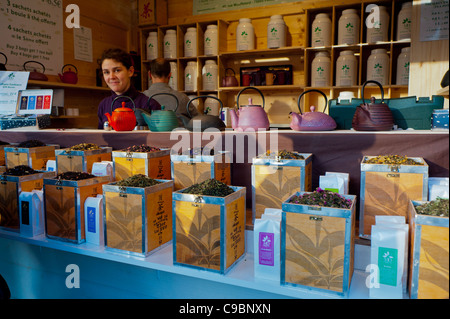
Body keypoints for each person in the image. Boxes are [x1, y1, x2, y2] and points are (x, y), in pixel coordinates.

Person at [97, 48, 160, 129]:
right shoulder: (103, 105)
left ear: (130, 71)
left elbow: (160, 139)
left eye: (117, 70)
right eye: (106, 72)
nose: (111, 77)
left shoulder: (150, 104)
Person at [143, 58, 198, 126]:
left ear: (149, 75)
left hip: (147, 136)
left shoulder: (142, 98)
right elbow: (199, 121)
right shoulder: (182, 98)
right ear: (170, 75)